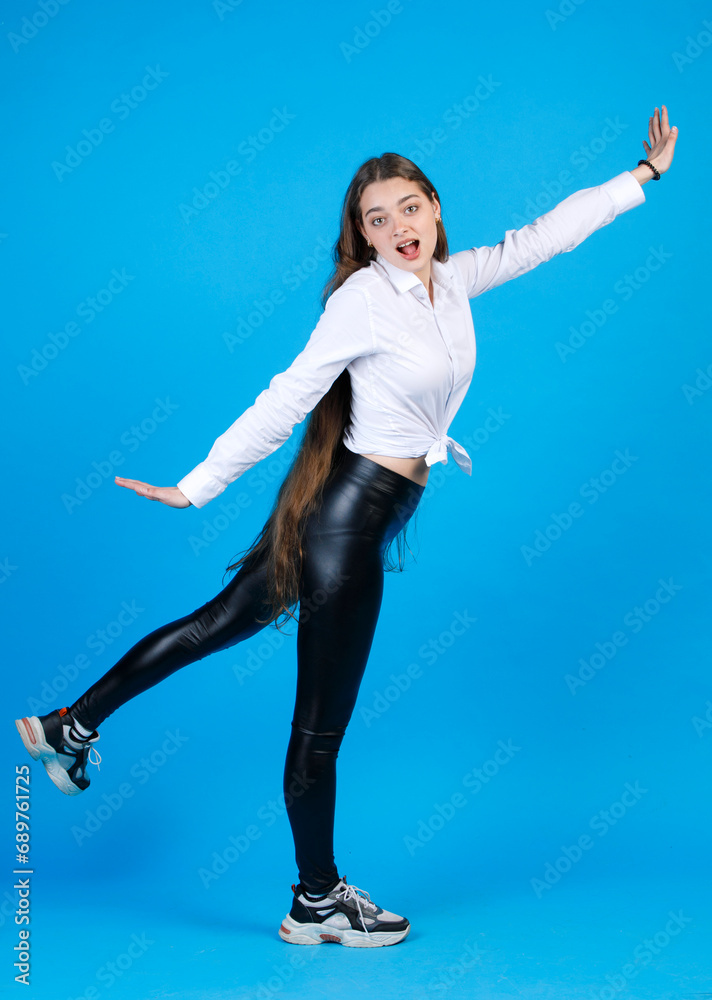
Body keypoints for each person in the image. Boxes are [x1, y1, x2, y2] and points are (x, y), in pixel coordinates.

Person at [15, 105, 678, 948]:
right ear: (362, 240)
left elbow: (545, 237)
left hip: (350, 509)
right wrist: (198, 486)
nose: (396, 225)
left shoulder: (454, 279)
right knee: (318, 729)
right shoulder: (366, 301)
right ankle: (316, 901)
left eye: (408, 207)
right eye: (376, 219)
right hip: (348, 526)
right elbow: (289, 392)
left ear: (434, 209)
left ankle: (71, 727)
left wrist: (643, 176)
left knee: (213, 625)